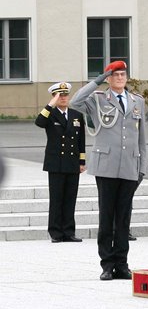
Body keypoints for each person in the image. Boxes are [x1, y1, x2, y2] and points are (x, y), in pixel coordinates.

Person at [70, 61, 147, 281]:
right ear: (109, 79)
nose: (120, 78)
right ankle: (107, 263)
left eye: (123, 74)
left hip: (130, 166)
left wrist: (142, 167)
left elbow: (141, 138)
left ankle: (122, 264)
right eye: (115, 75)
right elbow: (76, 101)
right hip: (106, 166)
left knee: (123, 218)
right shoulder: (98, 99)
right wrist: (97, 81)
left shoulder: (137, 101)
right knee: (107, 217)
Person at [35, 82, 86, 243]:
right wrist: (50, 105)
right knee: (56, 199)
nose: (63, 98)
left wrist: (82, 161)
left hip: (72, 162)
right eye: (60, 95)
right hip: (56, 163)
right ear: (54, 97)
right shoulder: (50, 114)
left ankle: (69, 232)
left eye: (65, 95)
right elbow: (39, 122)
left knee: (70, 198)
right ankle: (56, 232)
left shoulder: (76, 115)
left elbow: (81, 140)